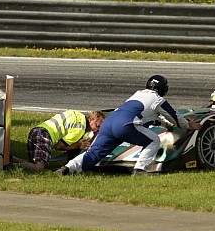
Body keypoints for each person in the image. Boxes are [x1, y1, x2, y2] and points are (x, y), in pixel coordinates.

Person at [55, 75, 201, 177]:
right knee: (153, 140)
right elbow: (175, 116)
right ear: (163, 89)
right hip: (126, 125)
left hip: (109, 123)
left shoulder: (137, 94)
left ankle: (67, 168)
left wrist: (164, 124)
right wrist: (188, 124)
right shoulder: (158, 99)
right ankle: (139, 170)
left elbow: (148, 118)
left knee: (93, 153)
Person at [12, 109, 106, 171]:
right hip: (44, 135)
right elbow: (59, 146)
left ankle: (10, 159)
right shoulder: (80, 129)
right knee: (39, 168)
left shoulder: (78, 115)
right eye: (97, 126)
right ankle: (7, 166)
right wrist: (78, 145)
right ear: (90, 120)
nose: (98, 129)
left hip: (36, 131)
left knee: (32, 164)